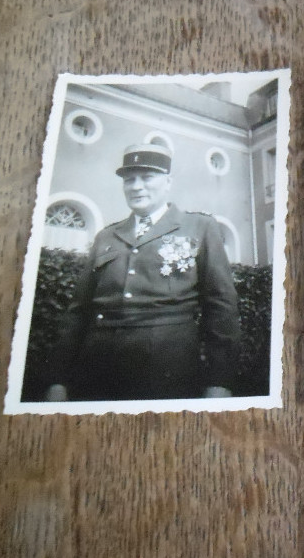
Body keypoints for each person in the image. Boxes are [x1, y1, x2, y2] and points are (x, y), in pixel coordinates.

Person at [45, 144, 240, 401]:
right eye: (129, 180)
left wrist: (220, 381)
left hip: (168, 368)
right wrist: (57, 379)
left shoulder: (200, 228)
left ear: (168, 182)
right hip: (97, 368)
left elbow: (222, 307)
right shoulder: (107, 235)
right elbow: (78, 311)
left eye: (147, 178)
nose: (136, 186)